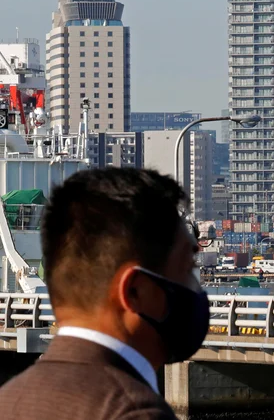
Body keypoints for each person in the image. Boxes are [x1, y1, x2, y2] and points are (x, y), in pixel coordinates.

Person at [0, 168, 210, 420]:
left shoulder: (9, 400)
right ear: (134, 291)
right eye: (188, 268)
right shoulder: (135, 412)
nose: (197, 288)